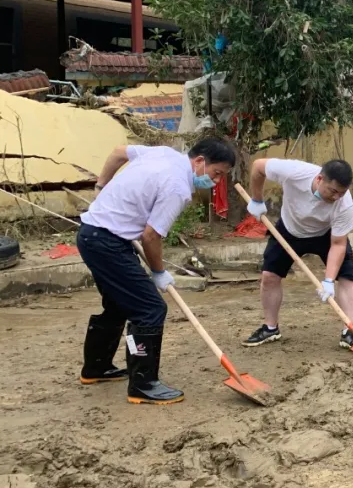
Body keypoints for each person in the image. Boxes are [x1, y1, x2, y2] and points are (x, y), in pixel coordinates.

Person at [77, 138, 236, 404]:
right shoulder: (177, 186)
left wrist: (101, 186)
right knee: (150, 309)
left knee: (119, 304)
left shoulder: (163, 153)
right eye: (216, 173)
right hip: (106, 243)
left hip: (92, 235)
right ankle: (143, 384)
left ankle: (96, 368)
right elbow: (151, 236)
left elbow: (118, 152)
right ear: (199, 161)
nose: (217, 181)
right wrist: (159, 272)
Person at [242, 158, 353, 350]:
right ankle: (271, 328)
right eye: (333, 191)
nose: (337, 197)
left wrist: (329, 280)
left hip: (325, 233)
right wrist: (256, 199)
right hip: (289, 229)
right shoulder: (294, 172)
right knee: (269, 276)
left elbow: (338, 244)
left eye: (342, 192)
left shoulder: (344, 205)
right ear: (320, 179)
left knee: (348, 277)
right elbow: (258, 166)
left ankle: (350, 330)